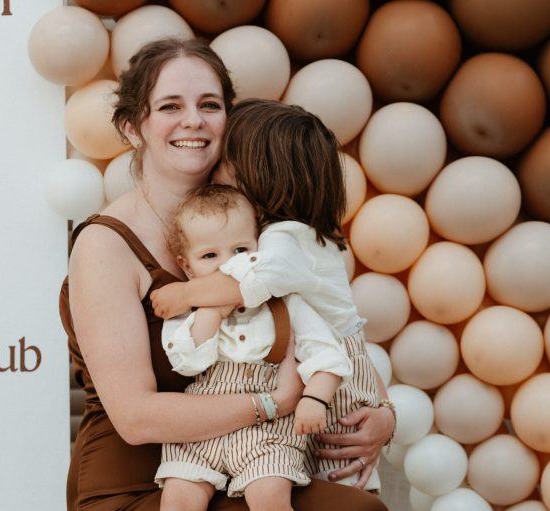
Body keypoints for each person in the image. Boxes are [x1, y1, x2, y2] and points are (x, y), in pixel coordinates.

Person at [60, 37, 392, 511]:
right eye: (170, 106)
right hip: (145, 478)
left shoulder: (263, 222)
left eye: (209, 105)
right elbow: (134, 418)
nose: (193, 120)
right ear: (133, 128)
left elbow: (333, 324)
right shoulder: (106, 244)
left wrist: (383, 417)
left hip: (254, 462)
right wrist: (274, 403)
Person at [151, 98, 393, 490]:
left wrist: (187, 293)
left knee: (336, 472)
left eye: (226, 160)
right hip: (325, 360)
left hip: (332, 379)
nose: (215, 168)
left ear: (256, 175)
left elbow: (253, 283)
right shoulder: (298, 234)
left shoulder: (286, 237)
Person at [156, 184, 354, 510]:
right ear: (187, 266)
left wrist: (315, 398)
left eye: (240, 250)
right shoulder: (186, 311)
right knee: (177, 500)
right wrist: (213, 310)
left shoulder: (285, 303)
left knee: (269, 497)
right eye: (209, 256)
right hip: (204, 425)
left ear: (259, 249)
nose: (227, 265)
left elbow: (326, 355)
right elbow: (188, 362)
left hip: (267, 434)